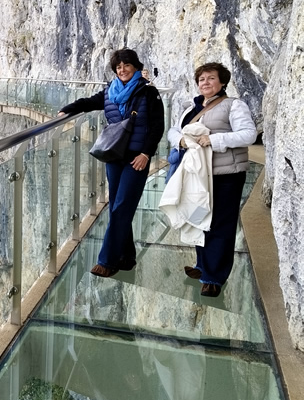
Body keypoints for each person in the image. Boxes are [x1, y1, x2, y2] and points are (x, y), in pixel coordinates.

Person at [59, 49, 164, 278]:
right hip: (114, 156)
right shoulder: (110, 92)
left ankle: (107, 260)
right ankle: (127, 257)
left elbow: (157, 126)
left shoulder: (148, 93)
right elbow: (89, 102)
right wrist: (68, 109)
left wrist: (146, 154)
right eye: (118, 67)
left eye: (127, 66)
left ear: (136, 67)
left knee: (121, 206)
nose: (122, 70)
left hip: (137, 158)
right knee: (116, 205)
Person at [166, 62, 257, 297]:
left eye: (211, 78)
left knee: (220, 224)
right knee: (199, 218)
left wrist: (214, 141)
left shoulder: (234, 105)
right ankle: (202, 265)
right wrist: (182, 141)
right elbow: (173, 131)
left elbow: (249, 134)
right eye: (201, 79)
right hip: (198, 175)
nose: (205, 83)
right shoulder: (191, 108)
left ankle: (214, 277)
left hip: (226, 175)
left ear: (222, 82)